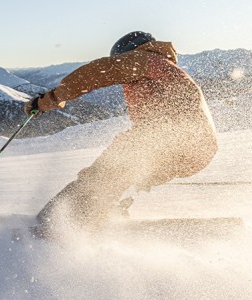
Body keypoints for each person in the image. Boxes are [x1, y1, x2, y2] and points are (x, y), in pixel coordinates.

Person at [26, 31, 219, 237]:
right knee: (123, 169)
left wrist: (50, 99)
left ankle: (55, 226)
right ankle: (106, 215)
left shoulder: (142, 59)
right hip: (198, 148)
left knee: (100, 176)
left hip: (169, 137)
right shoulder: (166, 69)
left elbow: (95, 73)